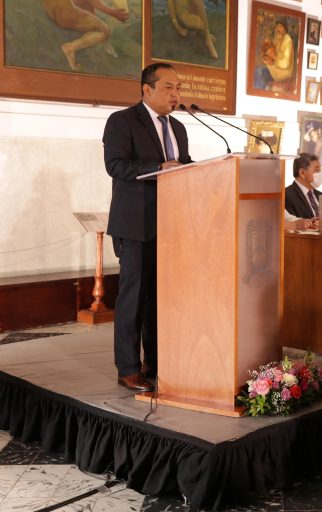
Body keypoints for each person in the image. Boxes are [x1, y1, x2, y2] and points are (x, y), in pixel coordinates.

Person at [103, 63, 192, 392]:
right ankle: (128, 367)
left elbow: (183, 165)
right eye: (169, 87)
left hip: (170, 226)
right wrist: (158, 167)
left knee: (160, 298)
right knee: (133, 298)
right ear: (147, 90)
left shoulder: (178, 127)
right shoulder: (122, 121)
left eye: (178, 88)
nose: (176, 94)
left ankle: (156, 361)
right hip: (135, 224)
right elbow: (115, 165)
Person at [42, 0, 129, 71]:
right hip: (65, 13)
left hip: (53, 10)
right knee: (104, 31)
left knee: (89, 8)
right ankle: (71, 47)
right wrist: (114, 13)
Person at [253, 20, 294, 90]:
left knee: (260, 73)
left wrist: (272, 57)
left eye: (280, 27)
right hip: (276, 69)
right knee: (256, 71)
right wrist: (266, 56)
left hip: (284, 73)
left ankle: (258, 92)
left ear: (285, 29)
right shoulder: (278, 38)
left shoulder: (288, 41)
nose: (278, 29)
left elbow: (285, 64)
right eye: (277, 27)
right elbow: (272, 52)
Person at [285, 153, 322, 220]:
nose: (320, 174)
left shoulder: (321, 195)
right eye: (316, 170)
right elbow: (290, 224)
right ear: (302, 173)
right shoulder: (286, 195)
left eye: (320, 170)